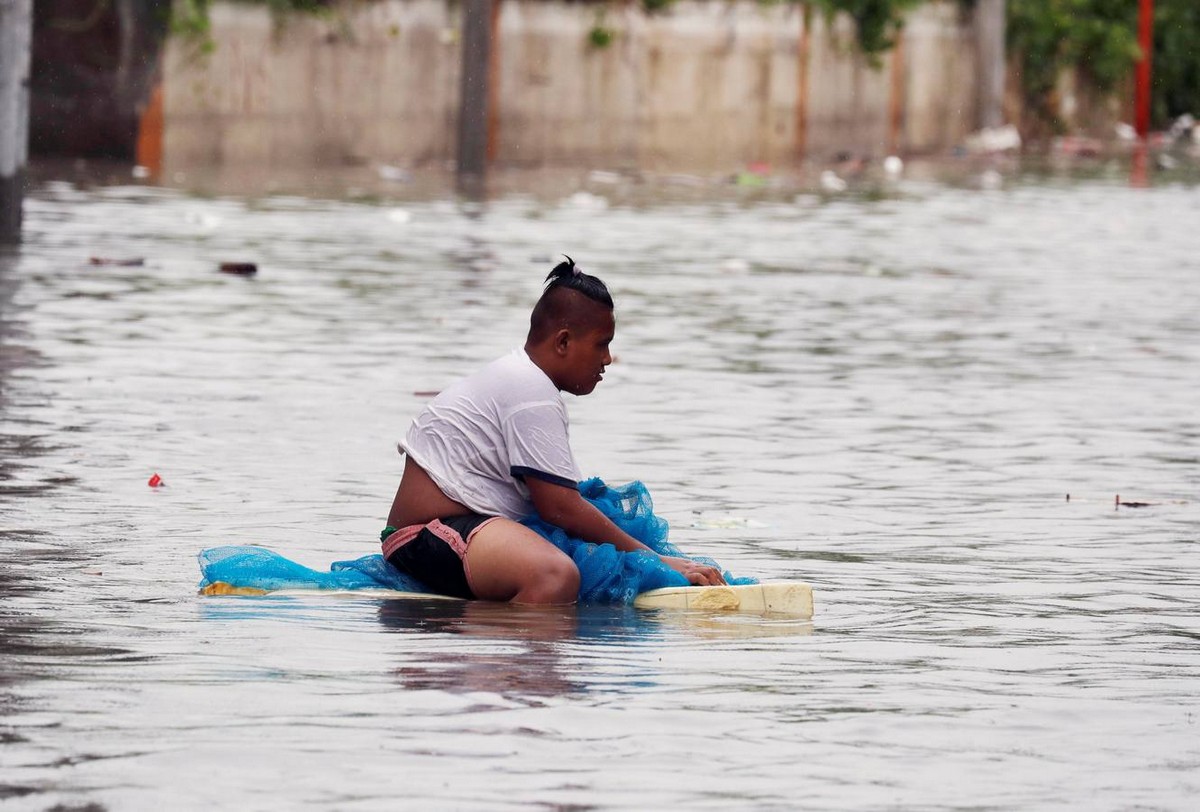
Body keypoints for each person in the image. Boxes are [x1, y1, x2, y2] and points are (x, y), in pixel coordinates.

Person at [382, 257, 725, 605]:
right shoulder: (530, 391)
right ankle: (488, 650)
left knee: (592, 529)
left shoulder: (527, 380)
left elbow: (563, 502)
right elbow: (559, 508)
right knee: (555, 576)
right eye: (601, 344)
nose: (607, 359)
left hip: (470, 527)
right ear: (563, 342)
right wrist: (656, 560)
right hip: (423, 535)